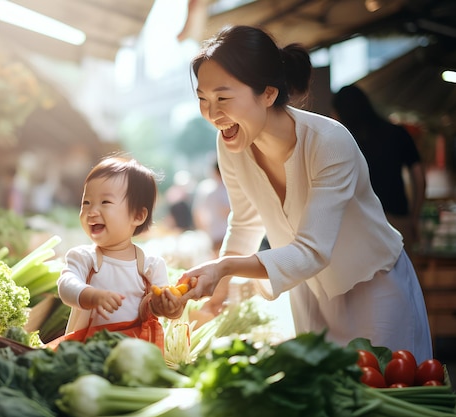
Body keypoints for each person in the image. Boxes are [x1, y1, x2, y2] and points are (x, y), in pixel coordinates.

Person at [177, 25, 433, 361]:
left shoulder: (328, 142)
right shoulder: (231, 144)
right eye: (202, 99)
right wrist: (217, 294)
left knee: (386, 397)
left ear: (268, 94)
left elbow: (312, 250)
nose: (212, 114)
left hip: (373, 289)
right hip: (309, 293)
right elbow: (244, 222)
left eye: (223, 98)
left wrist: (224, 268)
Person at [54, 155, 184, 351]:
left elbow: (159, 308)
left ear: (138, 216)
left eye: (105, 202)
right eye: (86, 203)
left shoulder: (150, 266)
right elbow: (66, 285)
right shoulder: (84, 258)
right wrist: (91, 296)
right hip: (87, 351)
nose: (92, 211)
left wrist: (171, 306)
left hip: (135, 353)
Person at [332, 84, 426, 249]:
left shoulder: (342, 140)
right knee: (402, 273)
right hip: (397, 220)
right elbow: (419, 178)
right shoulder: (397, 133)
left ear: (340, 112)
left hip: (357, 224)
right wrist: (414, 217)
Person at [191, 161, 230, 254]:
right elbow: (226, 211)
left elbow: (197, 213)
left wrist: (203, 231)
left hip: (214, 233)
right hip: (225, 233)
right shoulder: (226, 189)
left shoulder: (206, 188)